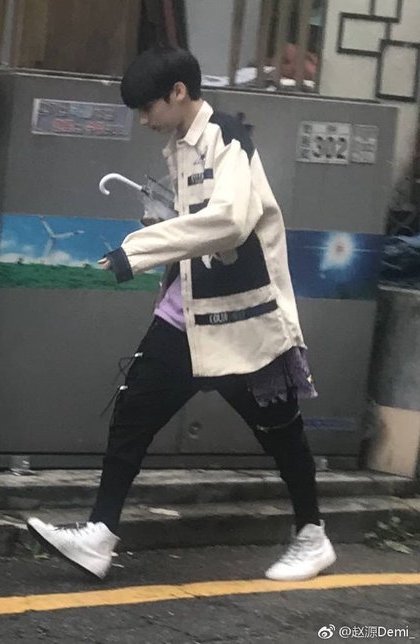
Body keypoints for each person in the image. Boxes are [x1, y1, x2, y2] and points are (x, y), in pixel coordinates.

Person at [27, 45, 336, 582]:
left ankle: (313, 536)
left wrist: (138, 249)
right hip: (187, 312)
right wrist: (162, 219)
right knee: (132, 413)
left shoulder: (228, 138)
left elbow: (231, 222)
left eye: (148, 108)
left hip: (244, 317)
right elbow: (198, 222)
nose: (144, 120)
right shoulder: (180, 145)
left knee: (280, 430)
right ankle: (100, 534)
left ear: (177, 93)